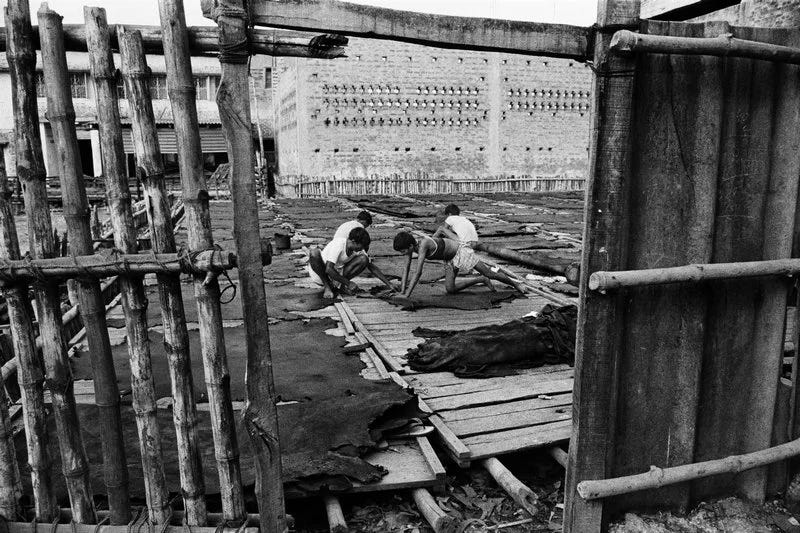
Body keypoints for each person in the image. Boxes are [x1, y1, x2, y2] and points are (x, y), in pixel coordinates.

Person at [393, 231, 527, 298]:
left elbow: (418, 272)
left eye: (403, 251)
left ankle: (516, 284)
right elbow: (406, 268)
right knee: (450, 289)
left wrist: (407, 295)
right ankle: (480, 279)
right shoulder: (410, 248)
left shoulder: (423, 244)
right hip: (449, 259)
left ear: (410, 246)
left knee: (489, 273)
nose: (403, 254)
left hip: (460, 252)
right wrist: (402, 291)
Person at [308, 226, 398, 299]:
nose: (361, 249)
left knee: (364, 259)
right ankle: (327, 287)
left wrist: (389, 284)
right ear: (354, 242)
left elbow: (372, 267)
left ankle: (340, 286)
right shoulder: (339, 244)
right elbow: (328, 269)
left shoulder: (358, 249)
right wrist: (348, 283)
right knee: (314, 253)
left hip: (336, 276)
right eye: (361, 246)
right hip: (321, 275)